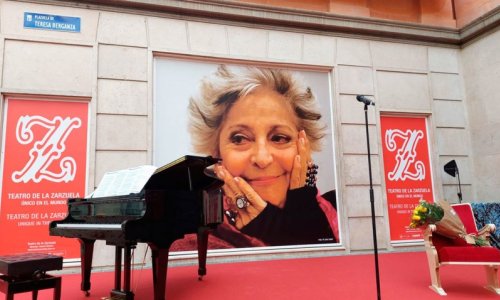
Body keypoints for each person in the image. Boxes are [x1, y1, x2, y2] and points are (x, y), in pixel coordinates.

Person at [174, 65, 338, 249]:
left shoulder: (338, 209)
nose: (262, 158)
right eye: (239, 138)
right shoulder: (192, 243)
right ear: (216, 153)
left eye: (279, 138)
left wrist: (301, 222)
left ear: (305, 145)